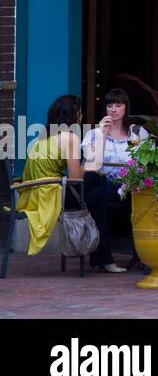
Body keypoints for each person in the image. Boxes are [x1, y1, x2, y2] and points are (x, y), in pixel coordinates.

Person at [81, 87, 148, 273]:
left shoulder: (137, 133)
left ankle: (145, 256)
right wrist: (103, 134)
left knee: (146, 196)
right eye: (110, 105)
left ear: (126, 108)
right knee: (96, 196)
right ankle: (104, 259)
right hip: (104, 183)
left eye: (118, 105)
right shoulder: (93, 134)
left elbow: (149, 162)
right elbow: (93, 163)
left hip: (132, 184)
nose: (113, 109)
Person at [17, 95, 86, 257]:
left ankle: (99, 258)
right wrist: (89, 162)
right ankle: (98, 255)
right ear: (74, 115)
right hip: (48, 195)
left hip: (30, 194)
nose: (82, 117)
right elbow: (76, 180)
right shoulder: (70, 138)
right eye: (80, 113)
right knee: (97, 194)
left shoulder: (44, 134)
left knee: (94, 192)